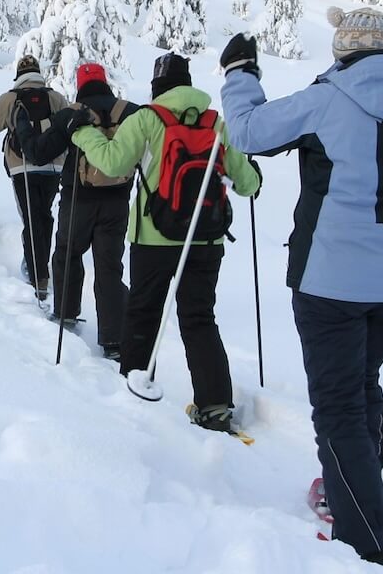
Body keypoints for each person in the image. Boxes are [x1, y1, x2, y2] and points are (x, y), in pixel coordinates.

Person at [218, 7, 383, 567]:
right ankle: (351, 488)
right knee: (361, 385)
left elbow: (248, 131)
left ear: (344, 51)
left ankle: (366, 540)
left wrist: (239, 73)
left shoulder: (328, 97)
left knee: (337, 406)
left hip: (329, 278)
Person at [70, 53, 260, 431]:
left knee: (143, 311)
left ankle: (134, 389)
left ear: (157, 87)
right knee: (200, 318)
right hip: (205, 240)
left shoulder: (147, 118)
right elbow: (248, 183)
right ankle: (215, 405)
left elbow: (112, 162)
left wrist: (81, 132)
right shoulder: (215, 123)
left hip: (154, 237)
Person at [19, 63, 137, 359]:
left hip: (78, 199)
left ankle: (66, 314)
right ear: (105, 82)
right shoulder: (129, 112)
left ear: (79, 84)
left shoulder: (72, 115)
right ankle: (113, 340)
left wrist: (22, 127)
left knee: (67, 254)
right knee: (109, 266)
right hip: (118, 202)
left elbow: (39, 152)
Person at [0, 54, 68, 298]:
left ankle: (36, 273)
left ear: (19, 75)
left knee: (31, 219)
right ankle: (42, 269)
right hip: (53, 167)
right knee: (44, 215)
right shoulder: (55, 97)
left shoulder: (11, 98)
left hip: (22, 167)